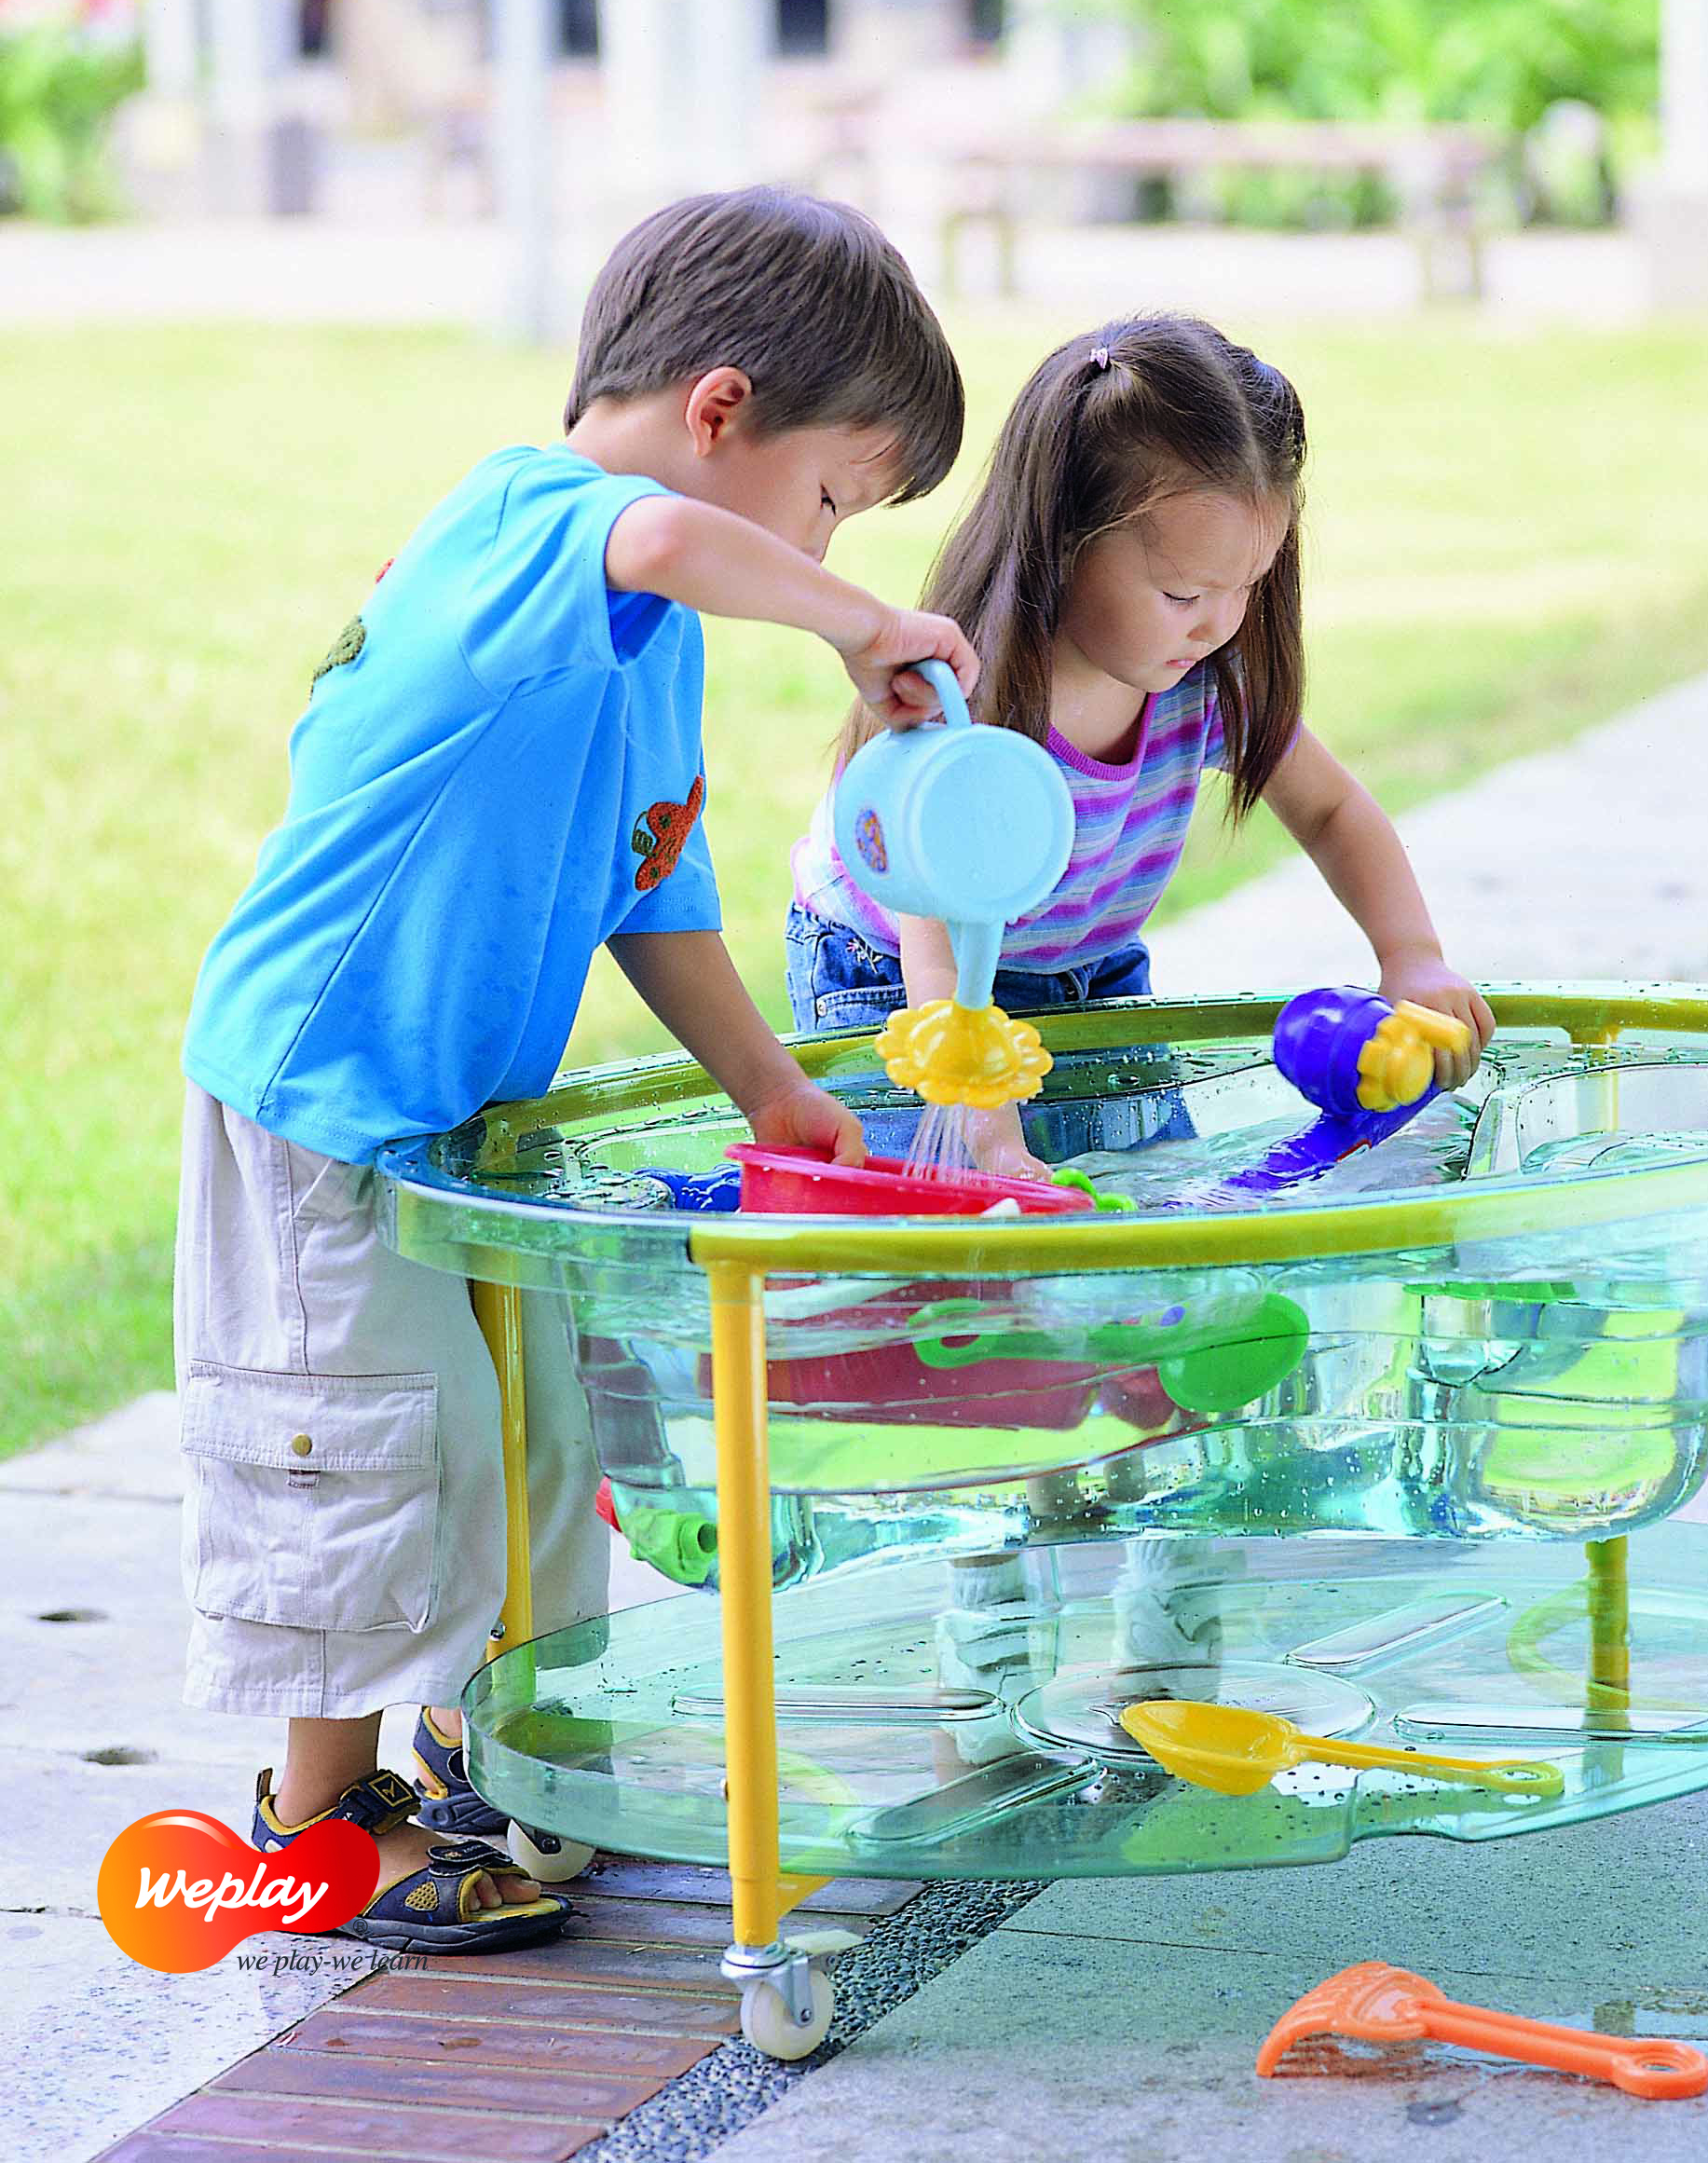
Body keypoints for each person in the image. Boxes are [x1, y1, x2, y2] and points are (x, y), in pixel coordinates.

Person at [173, 187, 976, 1951]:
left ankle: (487, 1729)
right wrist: (851, 626)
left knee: (509, 1445)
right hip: (317, 1103)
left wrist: (770, 1083)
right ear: (716, 407)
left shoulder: (655, 632)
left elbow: (655, 885)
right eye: (836, 493)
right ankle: (313, 1817)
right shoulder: (525, 521)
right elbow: (663, 542)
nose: (834, 546)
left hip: (451, 1120)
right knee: (360, 1459)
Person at [786, 312, 1495, 1180]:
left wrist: (1409, 953)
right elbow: (934, 929)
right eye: (1182, 590)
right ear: (1061, 543)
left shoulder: (1198, 683)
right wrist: (988, 1133)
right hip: (899, 978)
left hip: (1088, 972)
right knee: (943, 1227)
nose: (1218, 622)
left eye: (1246, 586)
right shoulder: (964, 707)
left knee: (1136, 1207)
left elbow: (1331, 808)